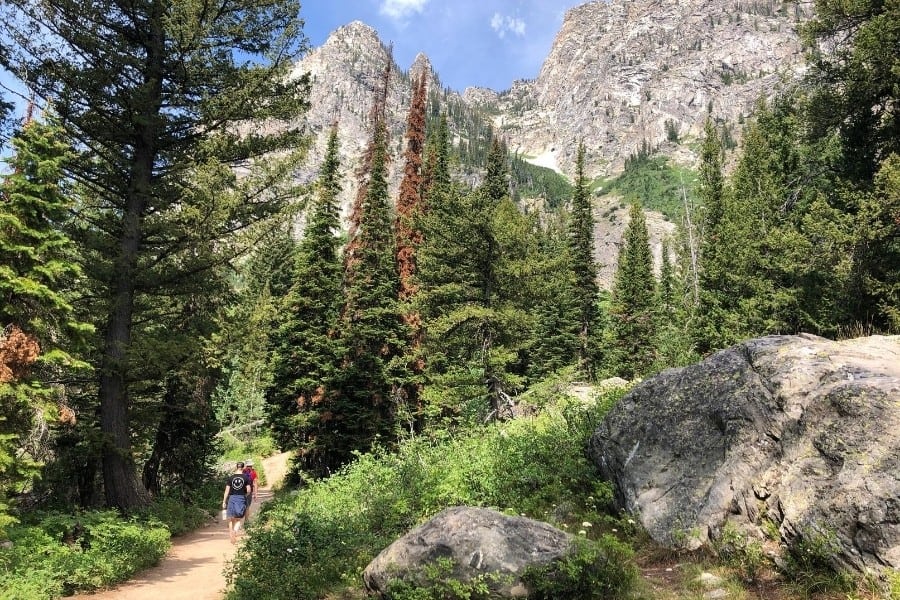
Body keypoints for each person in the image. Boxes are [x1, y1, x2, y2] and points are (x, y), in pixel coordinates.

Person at [222, 461, 253, 544]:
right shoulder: (246, 478)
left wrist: (224, 501)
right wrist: (245, 495)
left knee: (230, 518)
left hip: (232, 498)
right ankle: (235, 532)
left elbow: (226, 491)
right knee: (238, 518)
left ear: (236, 467)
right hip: (241, 498)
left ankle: (231, 532)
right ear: (243, 468)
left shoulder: (231, 478)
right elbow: (249, 490)